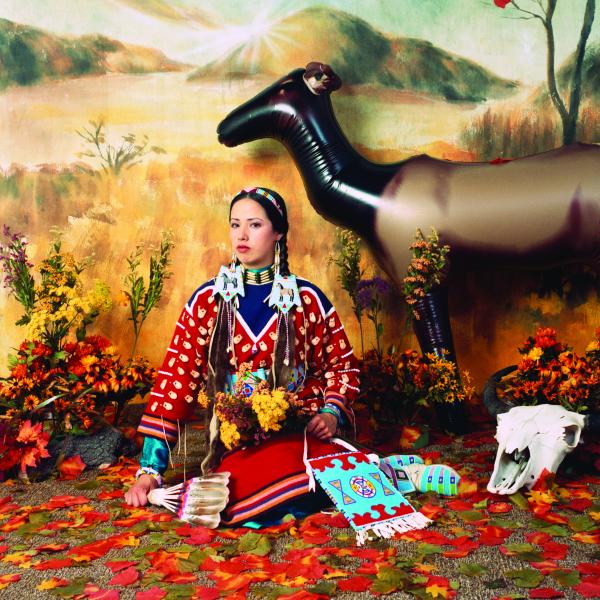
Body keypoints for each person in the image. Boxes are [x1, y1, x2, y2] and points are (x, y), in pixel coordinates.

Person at [125, 187, 361, 525]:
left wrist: (331, 413)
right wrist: (150, 470)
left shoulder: (307, 300)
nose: (242, 235)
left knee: (321, 475)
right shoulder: (208, 301)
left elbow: (342, 368)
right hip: (237, 441)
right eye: (235, 225)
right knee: (237, 490)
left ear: (278, 232)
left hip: (297, 432)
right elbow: (175, 384)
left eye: (255, 225)